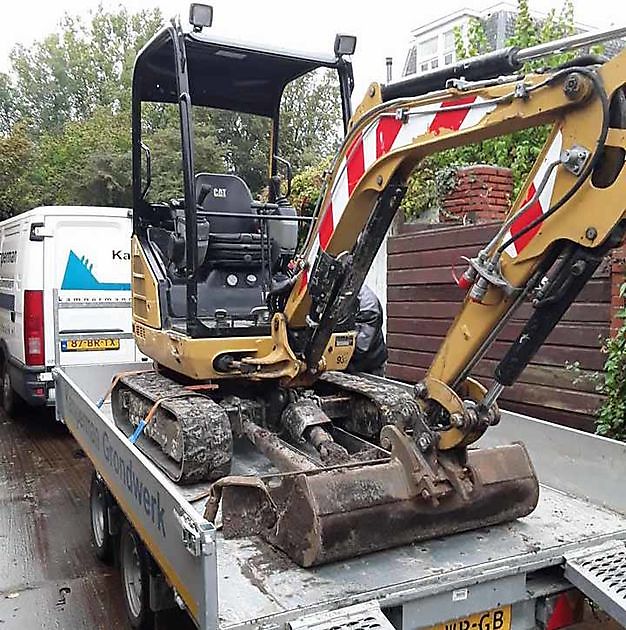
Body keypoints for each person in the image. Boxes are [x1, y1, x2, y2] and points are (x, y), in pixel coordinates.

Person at [347, 284, 388, 376]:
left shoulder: (368, 305)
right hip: (353, 362)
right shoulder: (344, 295)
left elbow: (362, 346)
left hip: (370, 364)